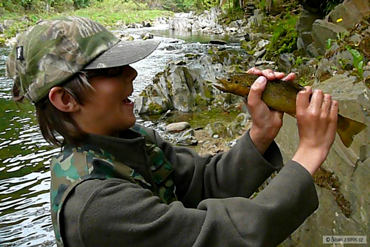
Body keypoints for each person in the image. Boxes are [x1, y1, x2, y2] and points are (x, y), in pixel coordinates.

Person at [6, 16, 338, 247]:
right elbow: (223, 237)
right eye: (113, 69)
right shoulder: (95, 207)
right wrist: (309, 153)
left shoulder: (130, 140)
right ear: (65, 99)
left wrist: (261, 132)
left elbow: (203, 183)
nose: (133, 74)